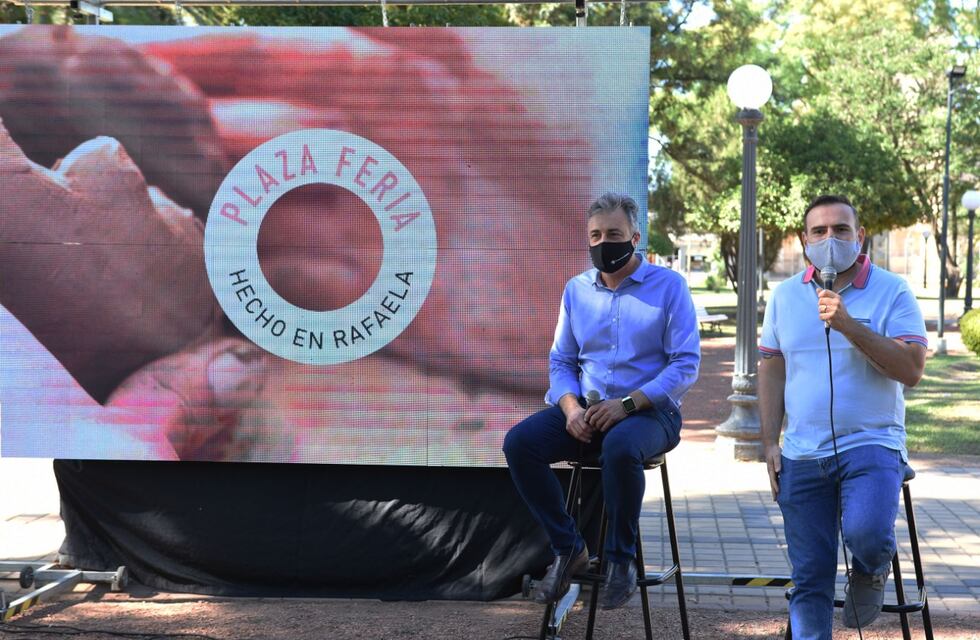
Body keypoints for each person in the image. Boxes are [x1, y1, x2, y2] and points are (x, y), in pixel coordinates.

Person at [502, 192, 700, 609]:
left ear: (635, 236)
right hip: (588, 409)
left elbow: (685, 365)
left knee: (621, 446)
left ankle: (620, 559)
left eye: (614, 233)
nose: (603, 242)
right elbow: (561, 360)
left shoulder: (669, 287)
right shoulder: (576, 290)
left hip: (650, 414)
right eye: (595, 234)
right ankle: (569, 547)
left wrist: (627, 405)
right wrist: (570, 407)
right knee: (520, 444)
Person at [759, 194, 928, 638]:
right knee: (811, 576)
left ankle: (871, 568)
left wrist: (850, 325)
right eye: (819, 231)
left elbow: (910, 371)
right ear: (803, 240)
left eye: (841, 230)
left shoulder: (893, 290)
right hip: (801, 450)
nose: (830, 239)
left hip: (871, 441)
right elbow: (772, 370)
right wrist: (769, 443)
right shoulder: (784, 296)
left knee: (868, 533)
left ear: (860, 235)